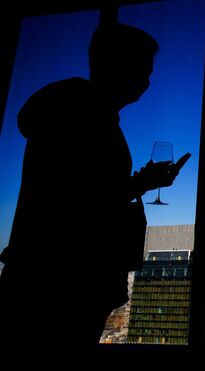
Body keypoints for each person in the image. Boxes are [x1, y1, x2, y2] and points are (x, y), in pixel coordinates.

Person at [0, 23, 182, 351]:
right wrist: (142, 183)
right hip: (63, 285)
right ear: (119, 65)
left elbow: (84, 190)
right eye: (144, 70)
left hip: (44, 277)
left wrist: (141, 181)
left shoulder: (78, 114)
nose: (147, 82)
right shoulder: (84, 116)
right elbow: (81, 203)